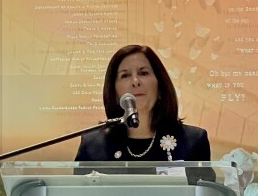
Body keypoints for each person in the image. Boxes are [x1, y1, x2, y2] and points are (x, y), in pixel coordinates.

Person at [75, 44, 211, 163]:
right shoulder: (92, 145)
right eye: (125, 75)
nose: (135, 81)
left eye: (143, 73)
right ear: (114, 92)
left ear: (160, 87)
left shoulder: (194, 142)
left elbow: (204, 191)